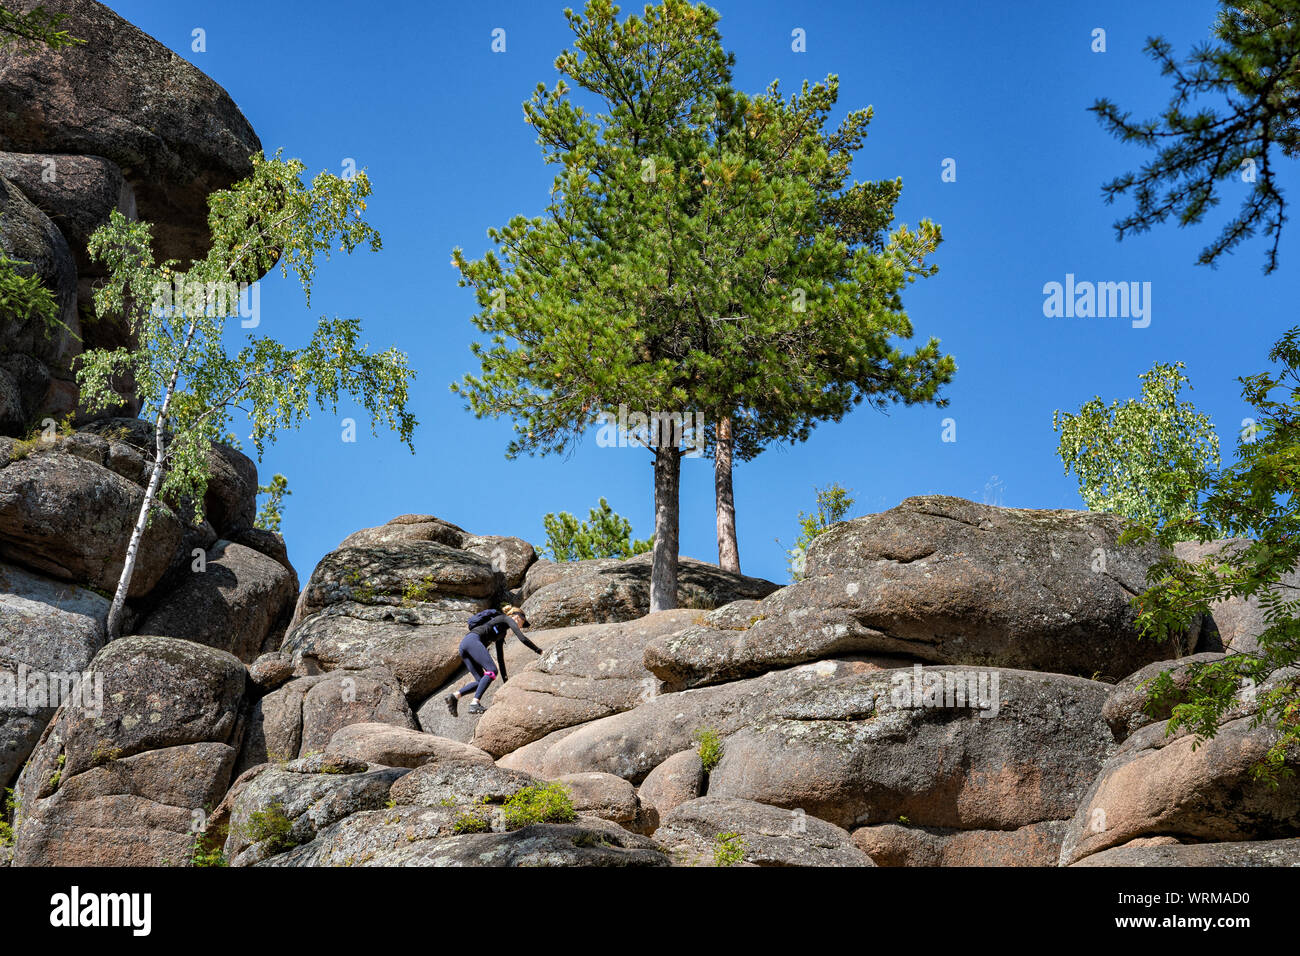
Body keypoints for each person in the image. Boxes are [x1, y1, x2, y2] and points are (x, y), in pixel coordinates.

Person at [445, 603, 541, 715]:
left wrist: (506, 682)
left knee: (480, 681)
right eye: (523, 622)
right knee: (492, 671)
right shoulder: (505, 618)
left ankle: (454, 696)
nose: (521, 625)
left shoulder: (502, 633)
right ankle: (474, 703)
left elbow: (500, 659)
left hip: (465, 645)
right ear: (517, 616)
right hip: (473, 640)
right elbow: (522, 638)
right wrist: (539, 651)